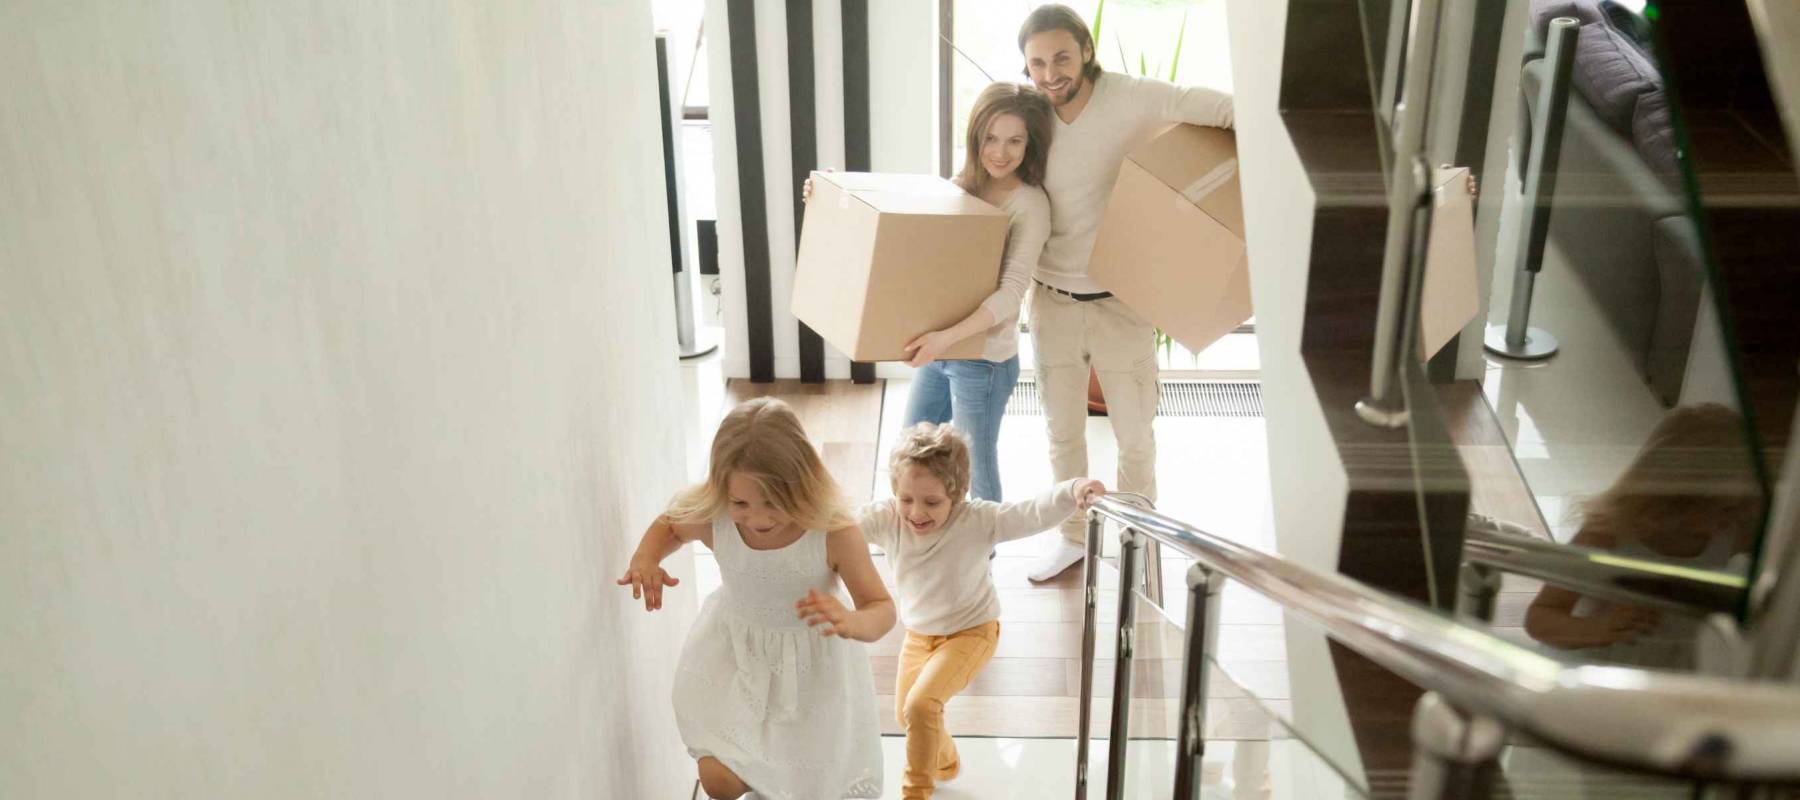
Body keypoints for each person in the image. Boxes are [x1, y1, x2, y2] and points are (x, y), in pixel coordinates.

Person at [1015, 4, 1236, 582]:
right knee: (1062, 435)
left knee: (1135, 436)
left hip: (1123, 300)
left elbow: (1205, 104)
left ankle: (1140, 537)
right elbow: (975, 173)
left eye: (1061, 57)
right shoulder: (1028, 113)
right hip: (1049, 302)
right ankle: (1071, 537)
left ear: (1086, 51)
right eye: (1036, 63)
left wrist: (1270, 131)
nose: (1049, 73)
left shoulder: (1130, 96)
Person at [617, 397, 894, 800]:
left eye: (772, 503)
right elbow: (671, 525)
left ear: (802, 485)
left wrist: (853, 621)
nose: (758, 518)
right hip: (739, 661)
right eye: (741, 503)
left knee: (812, 780)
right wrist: (646, 557)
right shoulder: (717, 516)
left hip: (814, 676)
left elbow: (882, 608)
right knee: (719, 778)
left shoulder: (832, 531)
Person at [804, 82, 1054, 504]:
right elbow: (902, 228)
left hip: (983, 360)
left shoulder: (1030, 205)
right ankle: (917, 542)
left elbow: (1011, 294)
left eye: (1015, 140)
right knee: (911, 450)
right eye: (991, 138)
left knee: (974, 464)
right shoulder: (963, 186)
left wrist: (944, 339)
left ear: (1031, 144)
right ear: (976, 137)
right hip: (939, 349)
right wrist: (830, 193)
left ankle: (981, 558)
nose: (1001, 152)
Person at [856, 422, 1103, 799]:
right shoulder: (889, 518)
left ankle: (914, 792)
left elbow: (1031, 513)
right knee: (907, 715)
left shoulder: (977, 520)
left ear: (957, 494)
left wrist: (1072, 491)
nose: (916, 512)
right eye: (906, 499)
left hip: (972, 631)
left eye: (932, 502)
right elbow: (840, 526)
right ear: (895, 492)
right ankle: (945, 762)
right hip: (919, 636)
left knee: (922, 706)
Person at [1523, 403, 1761, 669]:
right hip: (1599, 669)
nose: (1734, 516)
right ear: (1676, 499)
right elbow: (1540, 618)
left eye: (1742, 504)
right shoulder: (1607, 535)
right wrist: (1602, 628)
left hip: (1675, 670)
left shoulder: (1731, 531)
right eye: (1723, 508)